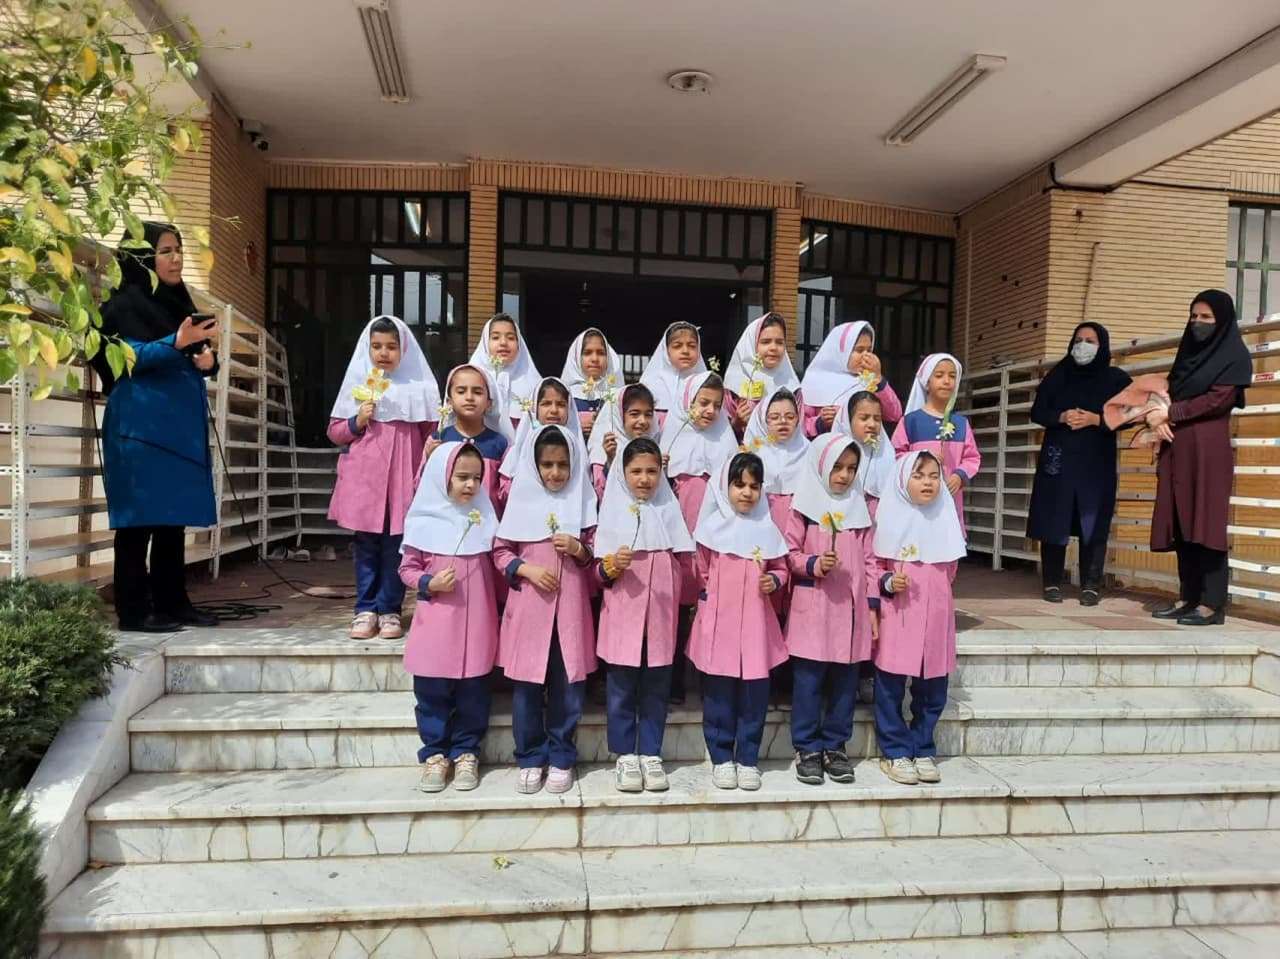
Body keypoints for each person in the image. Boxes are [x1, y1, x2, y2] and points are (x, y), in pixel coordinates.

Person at [99, 222, 219, 632]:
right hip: (139, 428)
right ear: (141, 259)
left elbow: (192, 355)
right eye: (165, 251)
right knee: (138, 524)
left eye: (178, 249)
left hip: (177, 430)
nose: (176, 258)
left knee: (172, 521)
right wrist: (177, 343)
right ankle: (133, 611)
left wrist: (208, 361)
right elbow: (125, 357)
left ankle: (173, 603)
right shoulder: (120, 307)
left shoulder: (177, 304)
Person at [494, 425, 598, 794]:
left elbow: (596, 554)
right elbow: (500, 551)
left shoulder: (583, 503)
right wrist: (526, 569)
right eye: (547, 465)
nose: (555, 473)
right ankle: (529, 755)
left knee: (567, 688)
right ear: (534, 466)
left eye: (562, 465)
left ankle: (561, 756)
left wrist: (578, 549)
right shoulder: (520, 502)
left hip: (570, 612)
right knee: (526, 688)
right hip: (529, 611)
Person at [328, 316, 439, 640]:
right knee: (366, 546)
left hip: (404, 481)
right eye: (376, 346)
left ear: (404, 350)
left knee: (397, 546)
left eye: (391, 346)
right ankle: (365, 609)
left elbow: (432, 431)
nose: (384, 353)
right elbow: (335, 432)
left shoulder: (419, 388)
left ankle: (390, 609)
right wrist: (357, 420)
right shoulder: (358, 384)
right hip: (366, 481)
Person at [594, 437, 695, 792]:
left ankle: (651, 752)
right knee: (621, 688)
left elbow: (683, 561)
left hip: (661, 618)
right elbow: (597, 574)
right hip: (623, 617)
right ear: (622, 474)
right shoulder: (612, 513)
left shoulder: (669, 511)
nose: (644, 478)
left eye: (652, 471)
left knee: (656, 687)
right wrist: (612, 565)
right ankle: (625, 754)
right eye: (636, 471)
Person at [398, 442, 500, 793]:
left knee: (474, 691)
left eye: (477, 478)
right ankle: (435, 753)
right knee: (431, 691)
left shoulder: (485, 519)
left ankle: (467, 751)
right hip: (437, 625)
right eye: (461, 477)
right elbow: (407, 569)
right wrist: (429, 582)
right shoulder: (424, 521)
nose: (470, 485)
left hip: (477, 622)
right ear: (442, 477)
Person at [1148, 290, 1253, 626]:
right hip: (1177, 447)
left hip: (1208, 451)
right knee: (1182, 522)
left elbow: (1217, 401)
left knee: (1206, 523)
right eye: (1194, 316)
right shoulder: (1188, 355)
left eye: (1206, 317)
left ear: (1222, 321)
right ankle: (1188, 597)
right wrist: (1158, 419)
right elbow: (1167, 393)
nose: (1198, 323)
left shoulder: (1235, 357)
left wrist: (1170, 414)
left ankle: (1211, 604)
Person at [689, 452, 790, 792]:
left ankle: (748, 757)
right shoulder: (711, 530)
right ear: (724, 487)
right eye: (738, 484)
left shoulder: (768, 529)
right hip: (720, 622)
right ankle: (721, 756)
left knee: (753, 694)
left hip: (757, 626)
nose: (747, 492)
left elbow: (781, 568)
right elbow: (702, 571)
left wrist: (773, 580)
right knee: (719, 693)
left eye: (754, 486)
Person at [783, 435, 878, 786]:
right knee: (809, 682)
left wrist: (872, 605)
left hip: (850, 612)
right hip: (814, 608)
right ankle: (807, 747)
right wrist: (813, 564)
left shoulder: (859, 510)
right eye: (837, 467)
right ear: (821, 465)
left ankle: (835, 746)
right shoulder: (803, 508)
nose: (844, 475)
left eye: (851, 468)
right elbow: (789, 553)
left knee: (844, 682)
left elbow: (870, 560)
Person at [872, 452, 966, 786]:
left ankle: (923, 745)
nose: (928, 482)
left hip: (936, 614)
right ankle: (895, 750)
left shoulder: (945, 518)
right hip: (899, 614)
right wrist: (887, 582)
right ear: (902, 480)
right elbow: (874, 566)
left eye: (933, 475)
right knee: (891, 685)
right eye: (918, 475)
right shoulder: (887, 518)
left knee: (933, 686)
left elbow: (950, 567)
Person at [1027, 323, 1132, 605]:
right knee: (1054, 517)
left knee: (1093, 521)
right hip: (1058, 460)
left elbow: (1132, 413)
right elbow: (1038, 411)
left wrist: (1097, 419)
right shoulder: (1058, 375)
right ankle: (1052, 582)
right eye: (1078, 339)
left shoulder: (1115, 379)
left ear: (1103, 345)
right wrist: (1061, 417)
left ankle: (1091, 585)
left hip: (1095, 461)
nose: (1082, 345)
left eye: (1090, 340)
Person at [892, 353, 980, 530]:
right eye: (939, 375)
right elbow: (896, 455)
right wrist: (920, 457)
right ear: (927, 382)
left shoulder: (961, 423)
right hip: (917, 502)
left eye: (952, 376)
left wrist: (959, 475)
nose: (946, 381)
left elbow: (972, 457)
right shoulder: (911, 421)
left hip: (950, 500)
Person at [798, 321, 903, 438]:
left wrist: (878, 378)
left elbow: (894, 414)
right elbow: (799, 425)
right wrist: (820, 422)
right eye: (859, 350)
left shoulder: (870, 381)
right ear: (841, 352)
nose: (866, 356)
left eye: (869, 350)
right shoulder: (815, 380)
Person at [431, 364, 512, 508]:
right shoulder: (439, 440)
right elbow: (425, 485)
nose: (469, 397)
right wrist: (429, 457)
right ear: (449, 402)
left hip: (486, 517)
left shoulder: (499, 444)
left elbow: (506, 492)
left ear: (489, 403)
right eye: (461, 391)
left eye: (477, 392)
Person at [725, 312, 800, 435]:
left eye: (779, 342)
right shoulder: (734, 387)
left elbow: (800, 431)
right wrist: (736, 424)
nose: (773, 348)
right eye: (766, 342)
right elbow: (718, 433)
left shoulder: (792, 388)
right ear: (751, 345)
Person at [587, 382, 659, 499]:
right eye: (634, 414)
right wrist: (610, 460)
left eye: (648, 415)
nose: (643, 421)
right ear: (618, 415)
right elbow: (600, 496)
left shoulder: (654, 450)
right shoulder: (603, 452)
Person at [469, 313, 542, 429]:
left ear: (519, 344)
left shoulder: (534, 384)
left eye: (511, 338)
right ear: (485, 343)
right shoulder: (471, 379)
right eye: (495, 337)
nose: (503, 343)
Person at [834, 391, 894, 516]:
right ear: (847, 421)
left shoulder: (886, 457)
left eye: (877, 419)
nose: (872, 424)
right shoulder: (831, 457)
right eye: (864, 418)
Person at [639, 321, 706, 426]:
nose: (685, 351)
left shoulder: (706, 386)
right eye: (677, 346)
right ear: (666, 350)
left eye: (692, 346)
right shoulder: (649, 386)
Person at [561, 328, 623, 440]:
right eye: (587, 353)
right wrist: (575, 426)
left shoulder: (617, 396)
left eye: (601, 353)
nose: (594, 359)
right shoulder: (564, 395)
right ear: (576, 357)